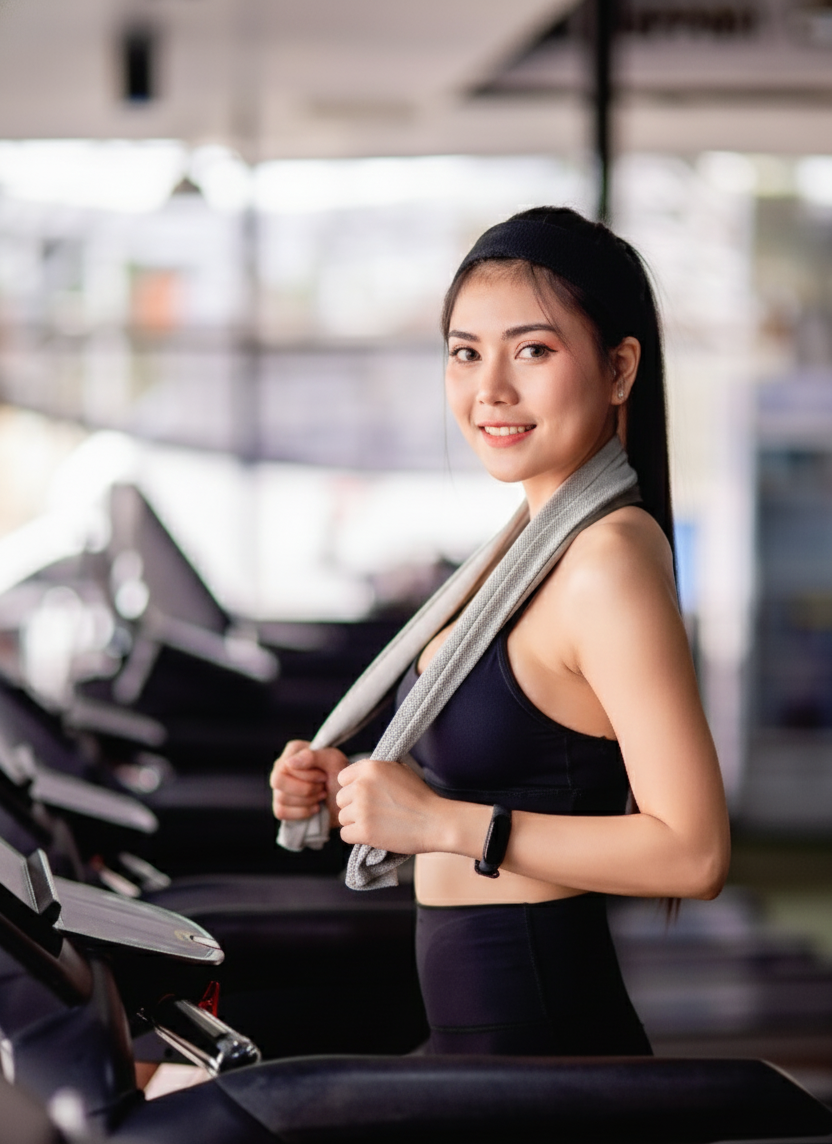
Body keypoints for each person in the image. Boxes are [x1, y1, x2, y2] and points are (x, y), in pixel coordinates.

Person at [270, 206, 730, 1055]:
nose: (491, 390)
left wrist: (440, 824)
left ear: (620, 369)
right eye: (465, 353)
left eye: (533, 350)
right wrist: (349, 786)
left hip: (539, 1037)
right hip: (480, 1032)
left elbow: (694, 852)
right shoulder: (520, 550)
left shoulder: (607, 560)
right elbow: (510, 766)